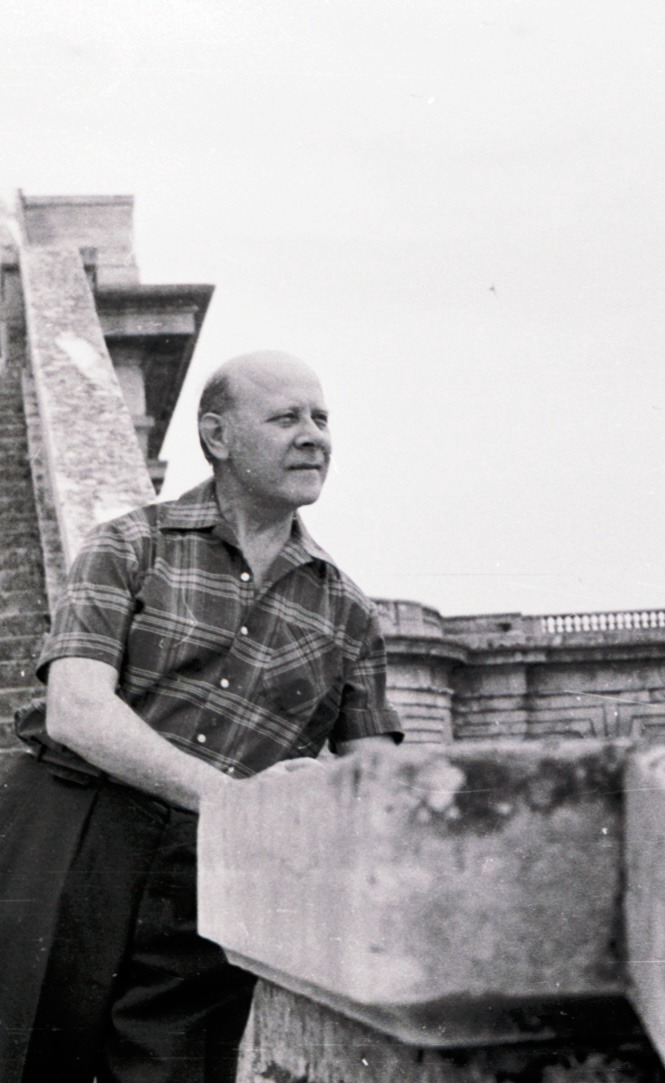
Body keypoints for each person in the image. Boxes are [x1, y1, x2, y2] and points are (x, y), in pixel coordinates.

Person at [0, 351, 402, 1082]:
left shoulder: (350, 613)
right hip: (76, 832)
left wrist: (305, 794)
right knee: (27, 1056)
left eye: (321, 417)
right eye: (286, 417)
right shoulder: (129, 544)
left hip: (212, 873)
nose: (314, 435)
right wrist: (236, 798)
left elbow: (377, 784)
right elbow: (77, 709)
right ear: (217, 436)